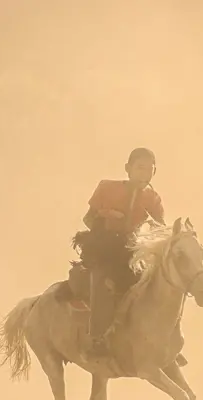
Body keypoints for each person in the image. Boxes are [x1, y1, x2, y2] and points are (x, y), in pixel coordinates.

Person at [79, 148, 165, 357]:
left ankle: (164, 337)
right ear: (128, 169)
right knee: (101, 282)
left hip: (133, 251)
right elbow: (88, 219)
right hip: (105, 248)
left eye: (149, 170)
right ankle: (97, 339)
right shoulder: (107, 188)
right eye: (140, 168)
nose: (144, 174)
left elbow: (160, 229)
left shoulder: (153, 199)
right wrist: (107, 216)